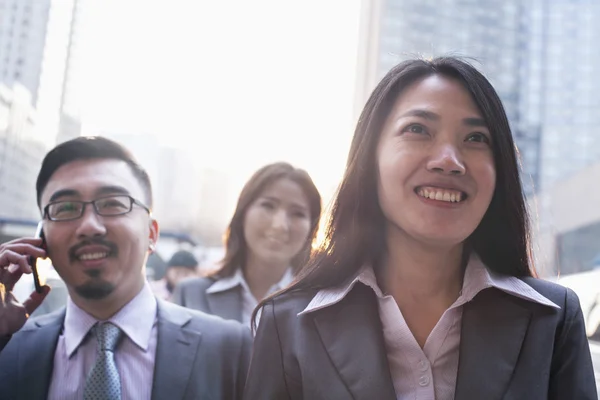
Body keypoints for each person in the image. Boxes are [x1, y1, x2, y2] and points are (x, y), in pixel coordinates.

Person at [244, 57, 598, 399]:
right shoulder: (288, 325)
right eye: (418, 130)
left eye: (475, 138)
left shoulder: (552, 319)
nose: (449, 161)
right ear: (370, 160)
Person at [0, 136, 251, 400]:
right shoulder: (9, 348)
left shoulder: (231, 350)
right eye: (66, 208)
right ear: (41, 238)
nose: (90, 227)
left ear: (151, 234)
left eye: (113, 204)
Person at [172, 162, 321, 327]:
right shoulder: (192, 295)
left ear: (312, 229)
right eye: (268, 206)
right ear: (243, 212)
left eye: (298, 213)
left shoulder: (320, 307)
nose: (280, 225)